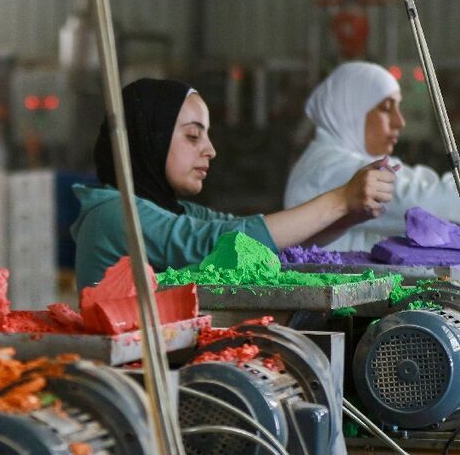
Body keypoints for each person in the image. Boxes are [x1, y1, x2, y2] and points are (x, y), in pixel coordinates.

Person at [71, 78, 397, 291]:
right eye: (193, 136)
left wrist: (347, 216)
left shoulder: (173, 210)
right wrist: (340, 199)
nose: (210, 150)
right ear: (149, 139)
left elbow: (258, 241)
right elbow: (219, 242)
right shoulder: (113, 214)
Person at [285, 61, 460, 251]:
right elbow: (432, 204)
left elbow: (424, 184)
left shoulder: (349, 161)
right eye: (386, 108)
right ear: (351, 111)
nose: (400, 122)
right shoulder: (327, 169)